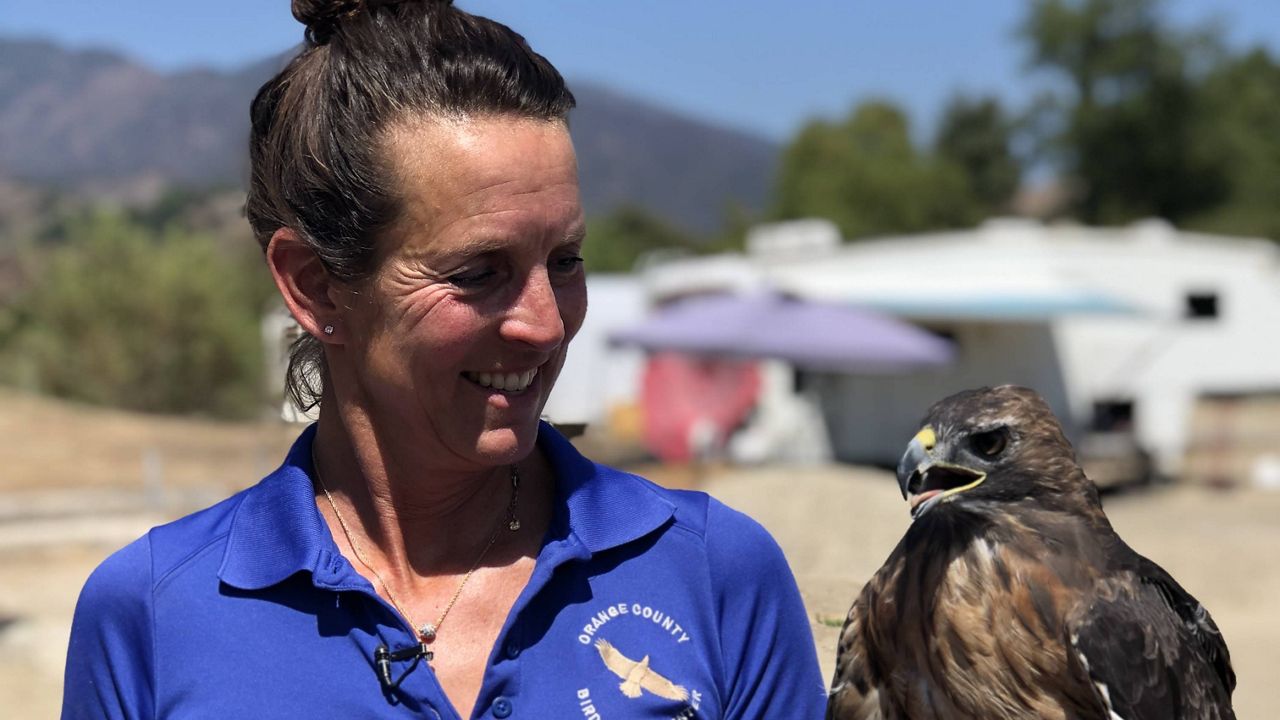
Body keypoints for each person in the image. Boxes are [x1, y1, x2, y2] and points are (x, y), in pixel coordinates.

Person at [61, 1, 827, 717]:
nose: (546, 324)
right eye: (477, 274)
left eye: (565, 260)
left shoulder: (714, 572)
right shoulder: (155, 616)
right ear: (316, 287)